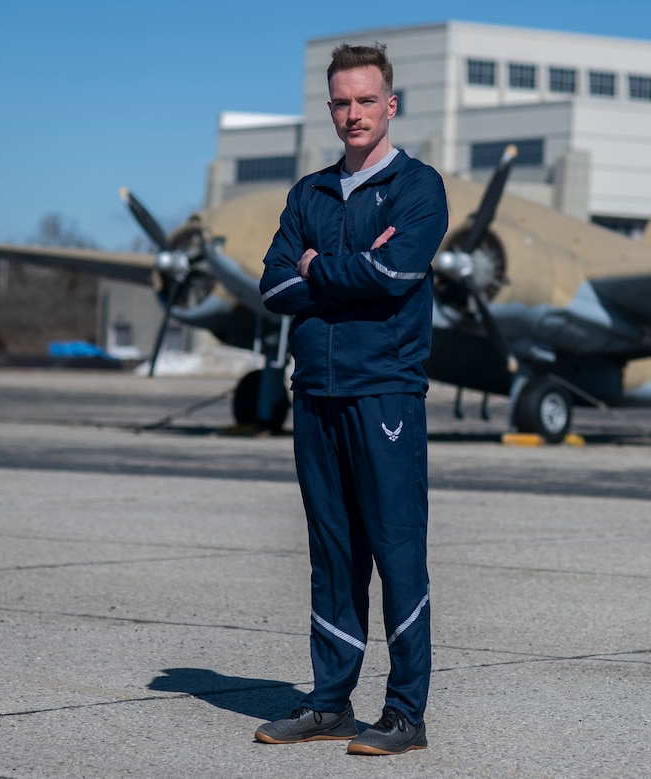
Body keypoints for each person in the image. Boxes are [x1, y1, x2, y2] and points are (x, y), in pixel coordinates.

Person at [255, 42, 449, 756]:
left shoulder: (418, 189)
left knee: (397, 551)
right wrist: (344, 272)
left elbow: (397, 270)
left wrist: (318, 267)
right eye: (341, 101)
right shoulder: (308, 194)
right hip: (316, 397)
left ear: (390, 104)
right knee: (332, 554)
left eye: (366, 100)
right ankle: (330, 702)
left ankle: (405, 713)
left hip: (386, 395)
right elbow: (274, 286)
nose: (353, 114)